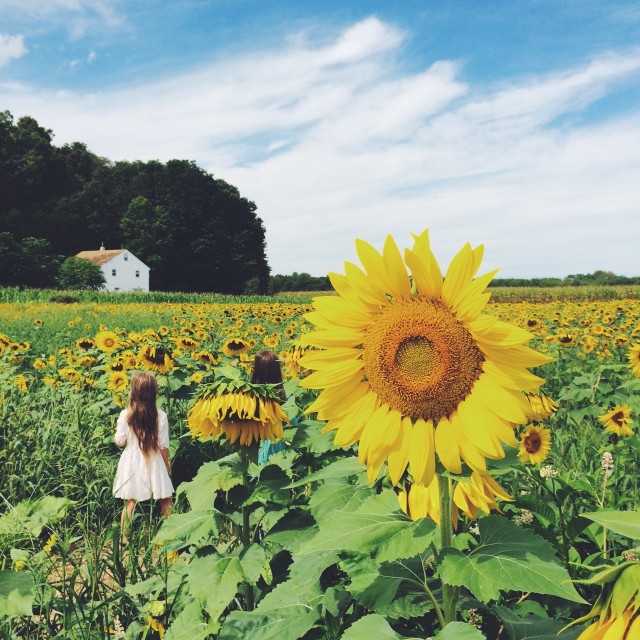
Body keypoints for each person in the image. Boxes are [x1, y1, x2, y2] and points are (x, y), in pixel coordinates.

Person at [113, 371, 174, 531]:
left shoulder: (125, 415)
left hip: (131, 461)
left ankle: (124, 538)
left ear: (133, 391)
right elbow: (163, 445)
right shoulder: (160, 416)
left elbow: (120, 441)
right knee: (165, 498)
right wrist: (166, 465)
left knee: (131, 499)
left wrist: (131, 436)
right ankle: (174, 532)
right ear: (154, 392)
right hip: (154, 459)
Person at [251, 351, 290, 463]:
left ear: (256, 370)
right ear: (277, 370)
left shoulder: (249, 398)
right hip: (278, 448)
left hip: (254, 445)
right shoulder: (285, 398)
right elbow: (293, 425)